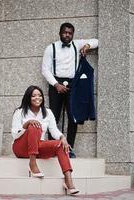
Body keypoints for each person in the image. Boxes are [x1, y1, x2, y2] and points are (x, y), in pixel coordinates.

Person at [41, 22, 98, 158]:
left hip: (74, 85)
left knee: (73, 116)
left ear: (73, 34)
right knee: (53, 116)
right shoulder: (51, 48)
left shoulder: (76, 44)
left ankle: (69, 149)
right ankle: (53, 148)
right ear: (60, 33)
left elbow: (97, 41)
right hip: (56, 84)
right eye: (65, 32)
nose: (67, 35)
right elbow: (45, 69)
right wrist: (56, 84)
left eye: (70, 33)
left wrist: (87, 46)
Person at [11, 85, 79, 195]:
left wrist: (63, 138)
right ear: (28, 97)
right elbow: (14, 134)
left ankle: (68, 181)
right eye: (33, 96)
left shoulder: (47, 112)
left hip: (37, 146)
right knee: (34, 125)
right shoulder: (20, 112)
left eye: (39, 95)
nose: (37, 98)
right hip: (20, 147)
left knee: (60, 144)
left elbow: (54, 131)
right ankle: (32, 164)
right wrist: (26, 125)